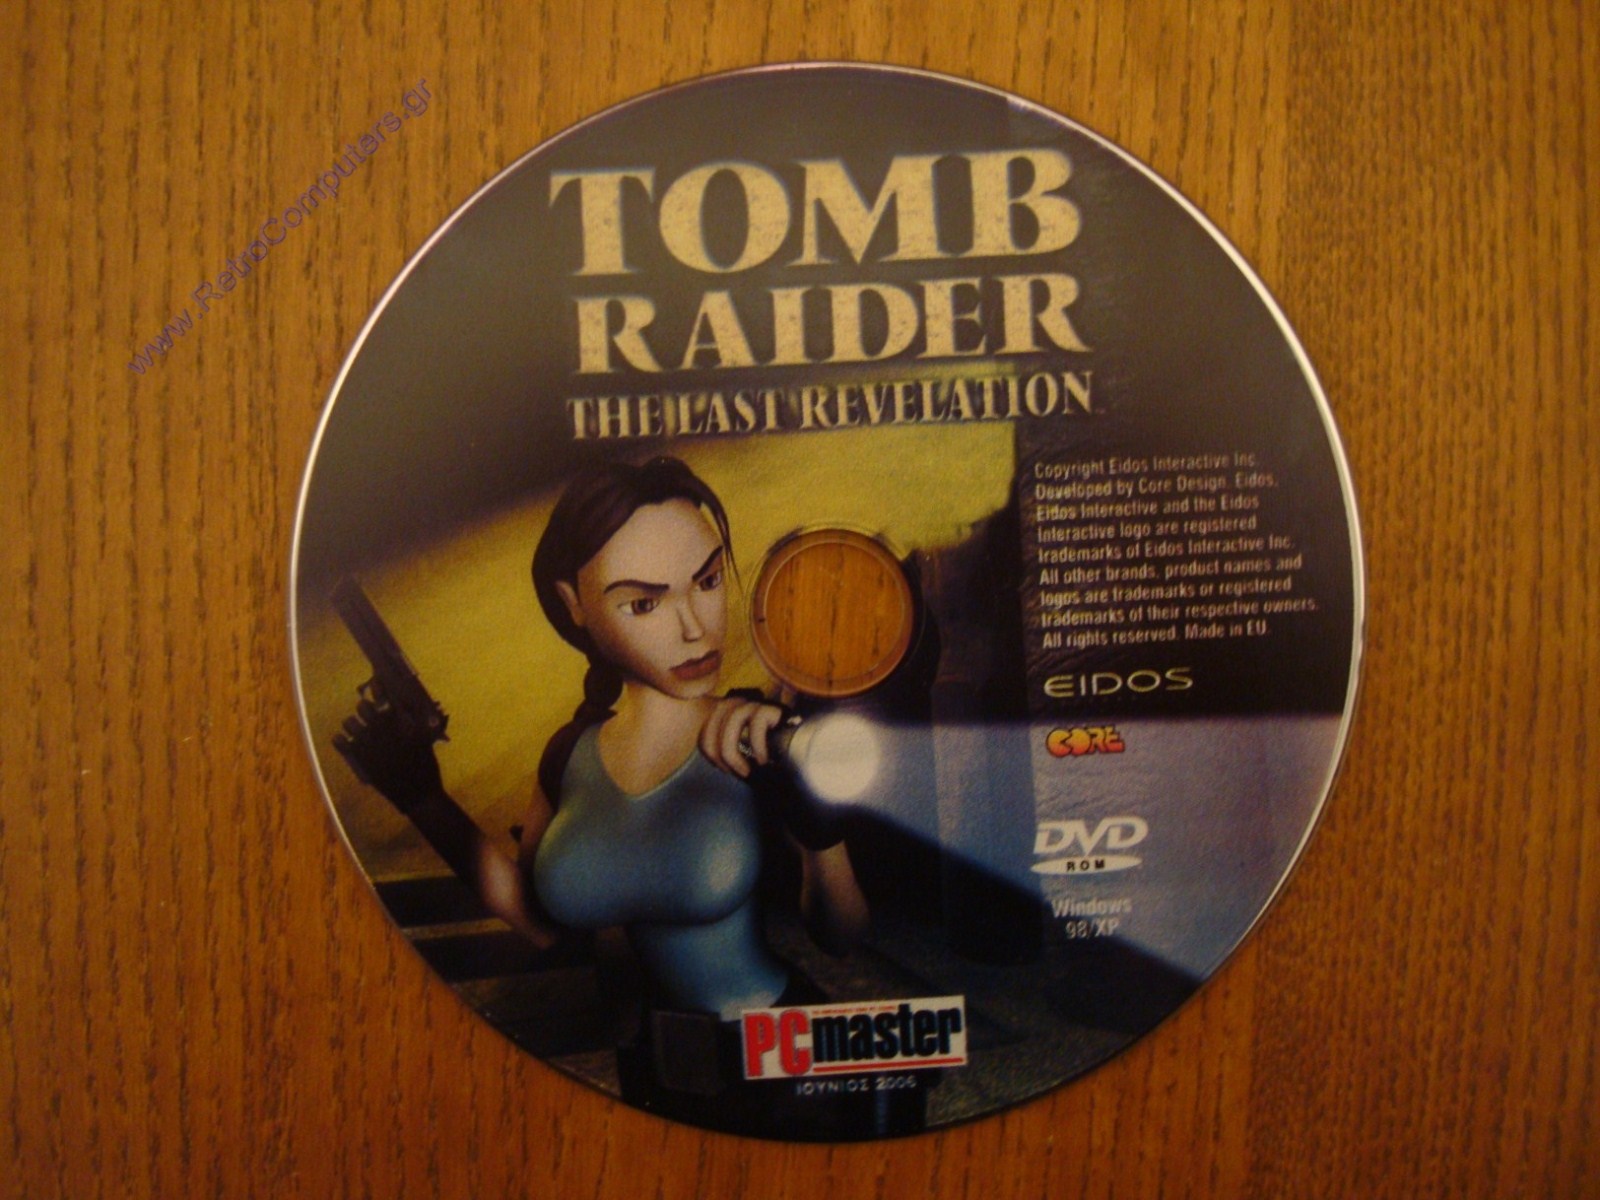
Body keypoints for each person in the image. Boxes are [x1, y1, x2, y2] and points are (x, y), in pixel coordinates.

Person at [336, 456, 909, 1137]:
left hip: (780, 1064)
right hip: (652, 1072)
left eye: (707, 581)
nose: (695, 627)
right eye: (644, 603)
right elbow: (540, 922)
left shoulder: (755, 735)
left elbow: (842, 936)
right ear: (574, 605)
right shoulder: (569, 755)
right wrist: (422, 798)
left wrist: (820, 831)